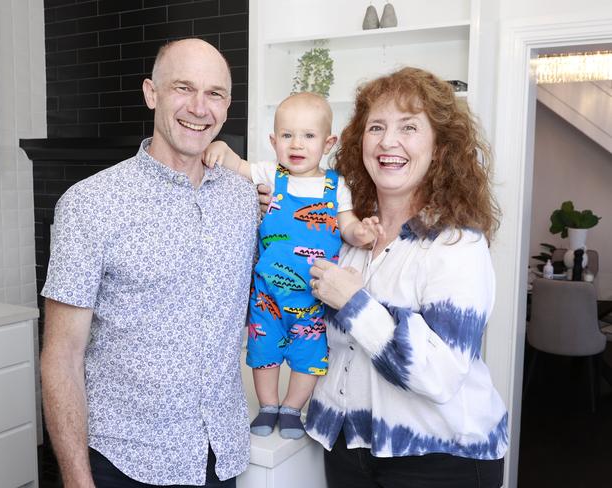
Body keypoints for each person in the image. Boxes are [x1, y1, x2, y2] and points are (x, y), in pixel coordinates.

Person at [40, 39, 259, 488]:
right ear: (151, 93)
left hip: (221, 455)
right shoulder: (89, 204)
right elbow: (61, 358)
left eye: (215, 94)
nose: (199, 108)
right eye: (183, 87)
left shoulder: (244, 200)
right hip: (125, 462)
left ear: (228, 106)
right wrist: (78, 482)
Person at [305, 67, 508, 487]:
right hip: (349, 446)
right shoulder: (352, 238)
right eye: (375, 127)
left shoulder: (456, 245)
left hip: (439, 460)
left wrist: (355, 303)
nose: (388, 141)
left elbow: (437, 373)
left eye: (409, 127)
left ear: (439, 149)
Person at [204, 92, 382, 440]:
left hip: (315, 298)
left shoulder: (337, 186)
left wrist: (360, 232)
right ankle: (269, 404)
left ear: (328, 142)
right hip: (267, 294)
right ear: (273, 141)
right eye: (287, 135)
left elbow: (345, 225)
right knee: (262, 353)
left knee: (309, 357)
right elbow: (237, 166)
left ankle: (291, 408)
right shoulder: (272, 175)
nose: (296, 144)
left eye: (308, 136)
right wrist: (222, 150)